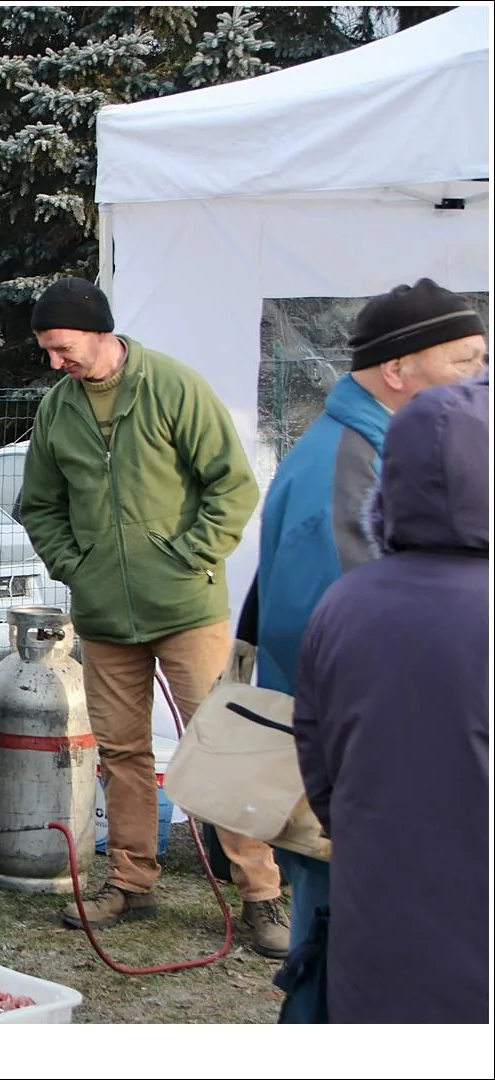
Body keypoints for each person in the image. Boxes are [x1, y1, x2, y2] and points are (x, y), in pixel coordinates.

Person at [18, 276, 288, 957]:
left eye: (63, 348)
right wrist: (75, 566)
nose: (55, 362)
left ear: (100, 331)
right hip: (106, 617)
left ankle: (261, 894)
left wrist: (190, 557)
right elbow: (39, 504)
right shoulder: (56, 410)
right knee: (122, 754)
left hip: (187, 610)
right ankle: (132, 882)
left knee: (223, 752)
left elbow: (231, 484)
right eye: (47, 351)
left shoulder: (173, 386)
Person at [255, 279, 487, 1018]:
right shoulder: (344, 468)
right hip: (365, 804)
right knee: (333, 964)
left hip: (377, 803)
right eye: (464, 362)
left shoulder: (379, 451)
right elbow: (319, 644)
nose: (478, 380)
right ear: (397, 370)